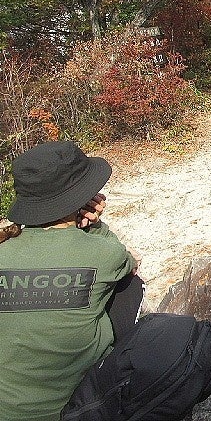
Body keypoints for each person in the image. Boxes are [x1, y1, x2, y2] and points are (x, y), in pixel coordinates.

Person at [0, 141, 140, 421]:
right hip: (77, 409)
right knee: (129, 286)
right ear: (80, 197)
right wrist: (96, 226)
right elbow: (130, 263)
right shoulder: (102, 252)